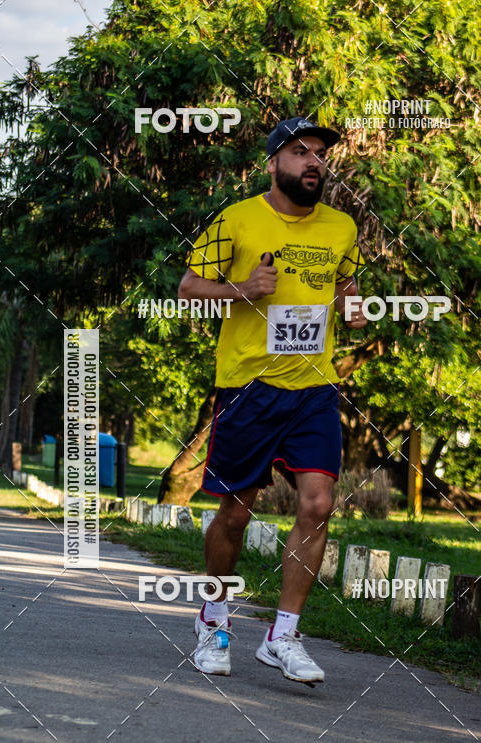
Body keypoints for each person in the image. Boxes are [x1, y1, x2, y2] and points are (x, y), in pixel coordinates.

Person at [178, 116, 367, 684]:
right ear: (273, 164)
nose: (313, 162)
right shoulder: (237, 219)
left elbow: (345, 283)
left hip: (313, 387)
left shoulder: (341, 227)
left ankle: (282, 635)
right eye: (299, 152)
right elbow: (188, 289)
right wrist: (242, 289)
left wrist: (353, 306)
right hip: (248, 388)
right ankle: (214, 619)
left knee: (317, 504)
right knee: (235, 514)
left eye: (320, 154)